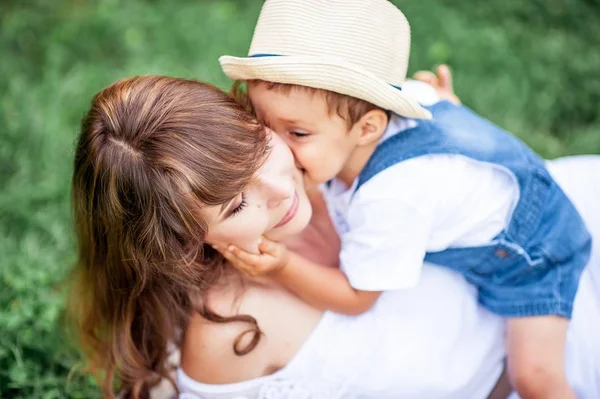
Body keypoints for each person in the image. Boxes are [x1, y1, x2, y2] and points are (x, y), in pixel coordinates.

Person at [70, 73, 600, 399]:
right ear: (184, 240)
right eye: (236, 204)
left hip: (544, 227)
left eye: (258, 148)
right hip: (550, 340)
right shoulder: (232, 333)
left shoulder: (324, 154)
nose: (280, 189)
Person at [217, 1, 591, 397]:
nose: (278, 145)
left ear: (368, 127)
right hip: (497, 191)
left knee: (534, 376)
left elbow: (358, 297)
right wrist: (450, 108)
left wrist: (283, 267)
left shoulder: (388, 197)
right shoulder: (402, 99)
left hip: (534, 253)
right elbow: (437, 112)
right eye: (263, 122)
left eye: (298, 134)